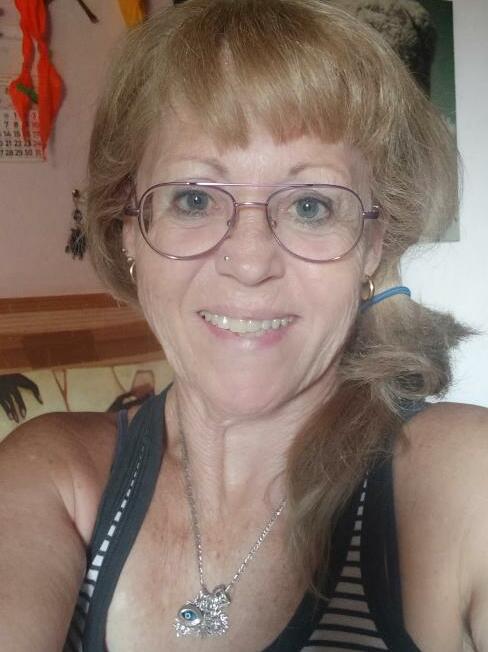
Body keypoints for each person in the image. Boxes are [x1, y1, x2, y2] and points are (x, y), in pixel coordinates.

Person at [0, 1, 487, 650]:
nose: (251, 263)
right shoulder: (50, 478)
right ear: (129, 232)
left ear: (373, 246)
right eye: (194, 198)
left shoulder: (460, 482)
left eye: (311, 206)